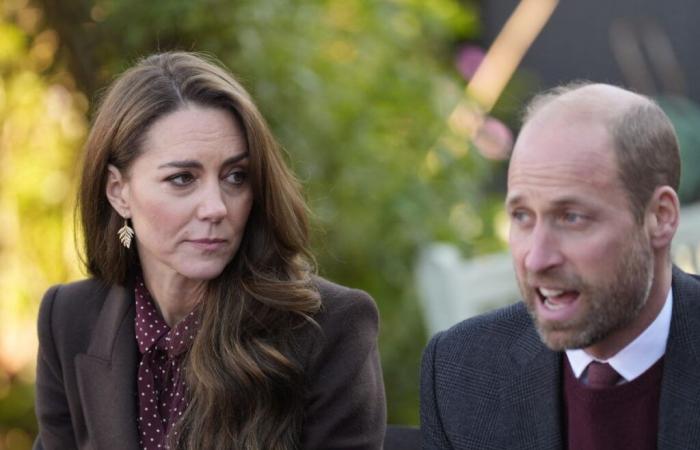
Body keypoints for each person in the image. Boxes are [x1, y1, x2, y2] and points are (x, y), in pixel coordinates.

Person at [34, 51, 386, 450]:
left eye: (236, 176)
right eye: (183, 178)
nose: (217, 207)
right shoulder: (68, 319)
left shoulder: (330, 328)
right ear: (119, 192)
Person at [420, 82, 700, 449]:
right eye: (522, 216)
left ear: (659, 218)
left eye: (571, 217)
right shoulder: (462, 372)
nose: (537, 257)